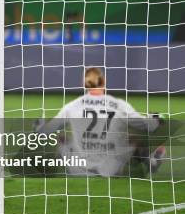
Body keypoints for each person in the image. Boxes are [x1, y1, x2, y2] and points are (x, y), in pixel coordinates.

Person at [37, 68, 165, 176]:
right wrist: (155, 117)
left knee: (62, 139)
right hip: (108, 169)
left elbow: (45, 131)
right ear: (103, 82)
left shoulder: (72, 106)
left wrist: (40, 125)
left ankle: (49, 170)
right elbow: (148, 126)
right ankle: (152, 162)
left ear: (85, 83)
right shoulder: (118, 105)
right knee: (132, 139)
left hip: (77, 169)